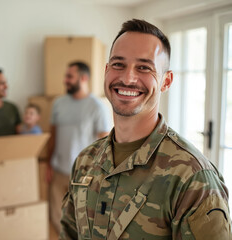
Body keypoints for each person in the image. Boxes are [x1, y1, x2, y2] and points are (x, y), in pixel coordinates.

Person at [60, 19, 231, 240]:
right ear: (106, 71)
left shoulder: (192, 177)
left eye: (144, 67)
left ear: (166, 81)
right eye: (118, 64)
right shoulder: (85, 161)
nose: (127, 78)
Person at [48, 61, 112, 233]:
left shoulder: (98, 107)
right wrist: (48, 164)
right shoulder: (58, 103)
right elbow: (53, 137)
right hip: (59, 172)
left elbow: (105, 143)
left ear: (83, 78)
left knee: (82, 222)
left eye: (69, 76)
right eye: (66, 76)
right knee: (57, 218)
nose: (65, 80)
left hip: (85, 175)